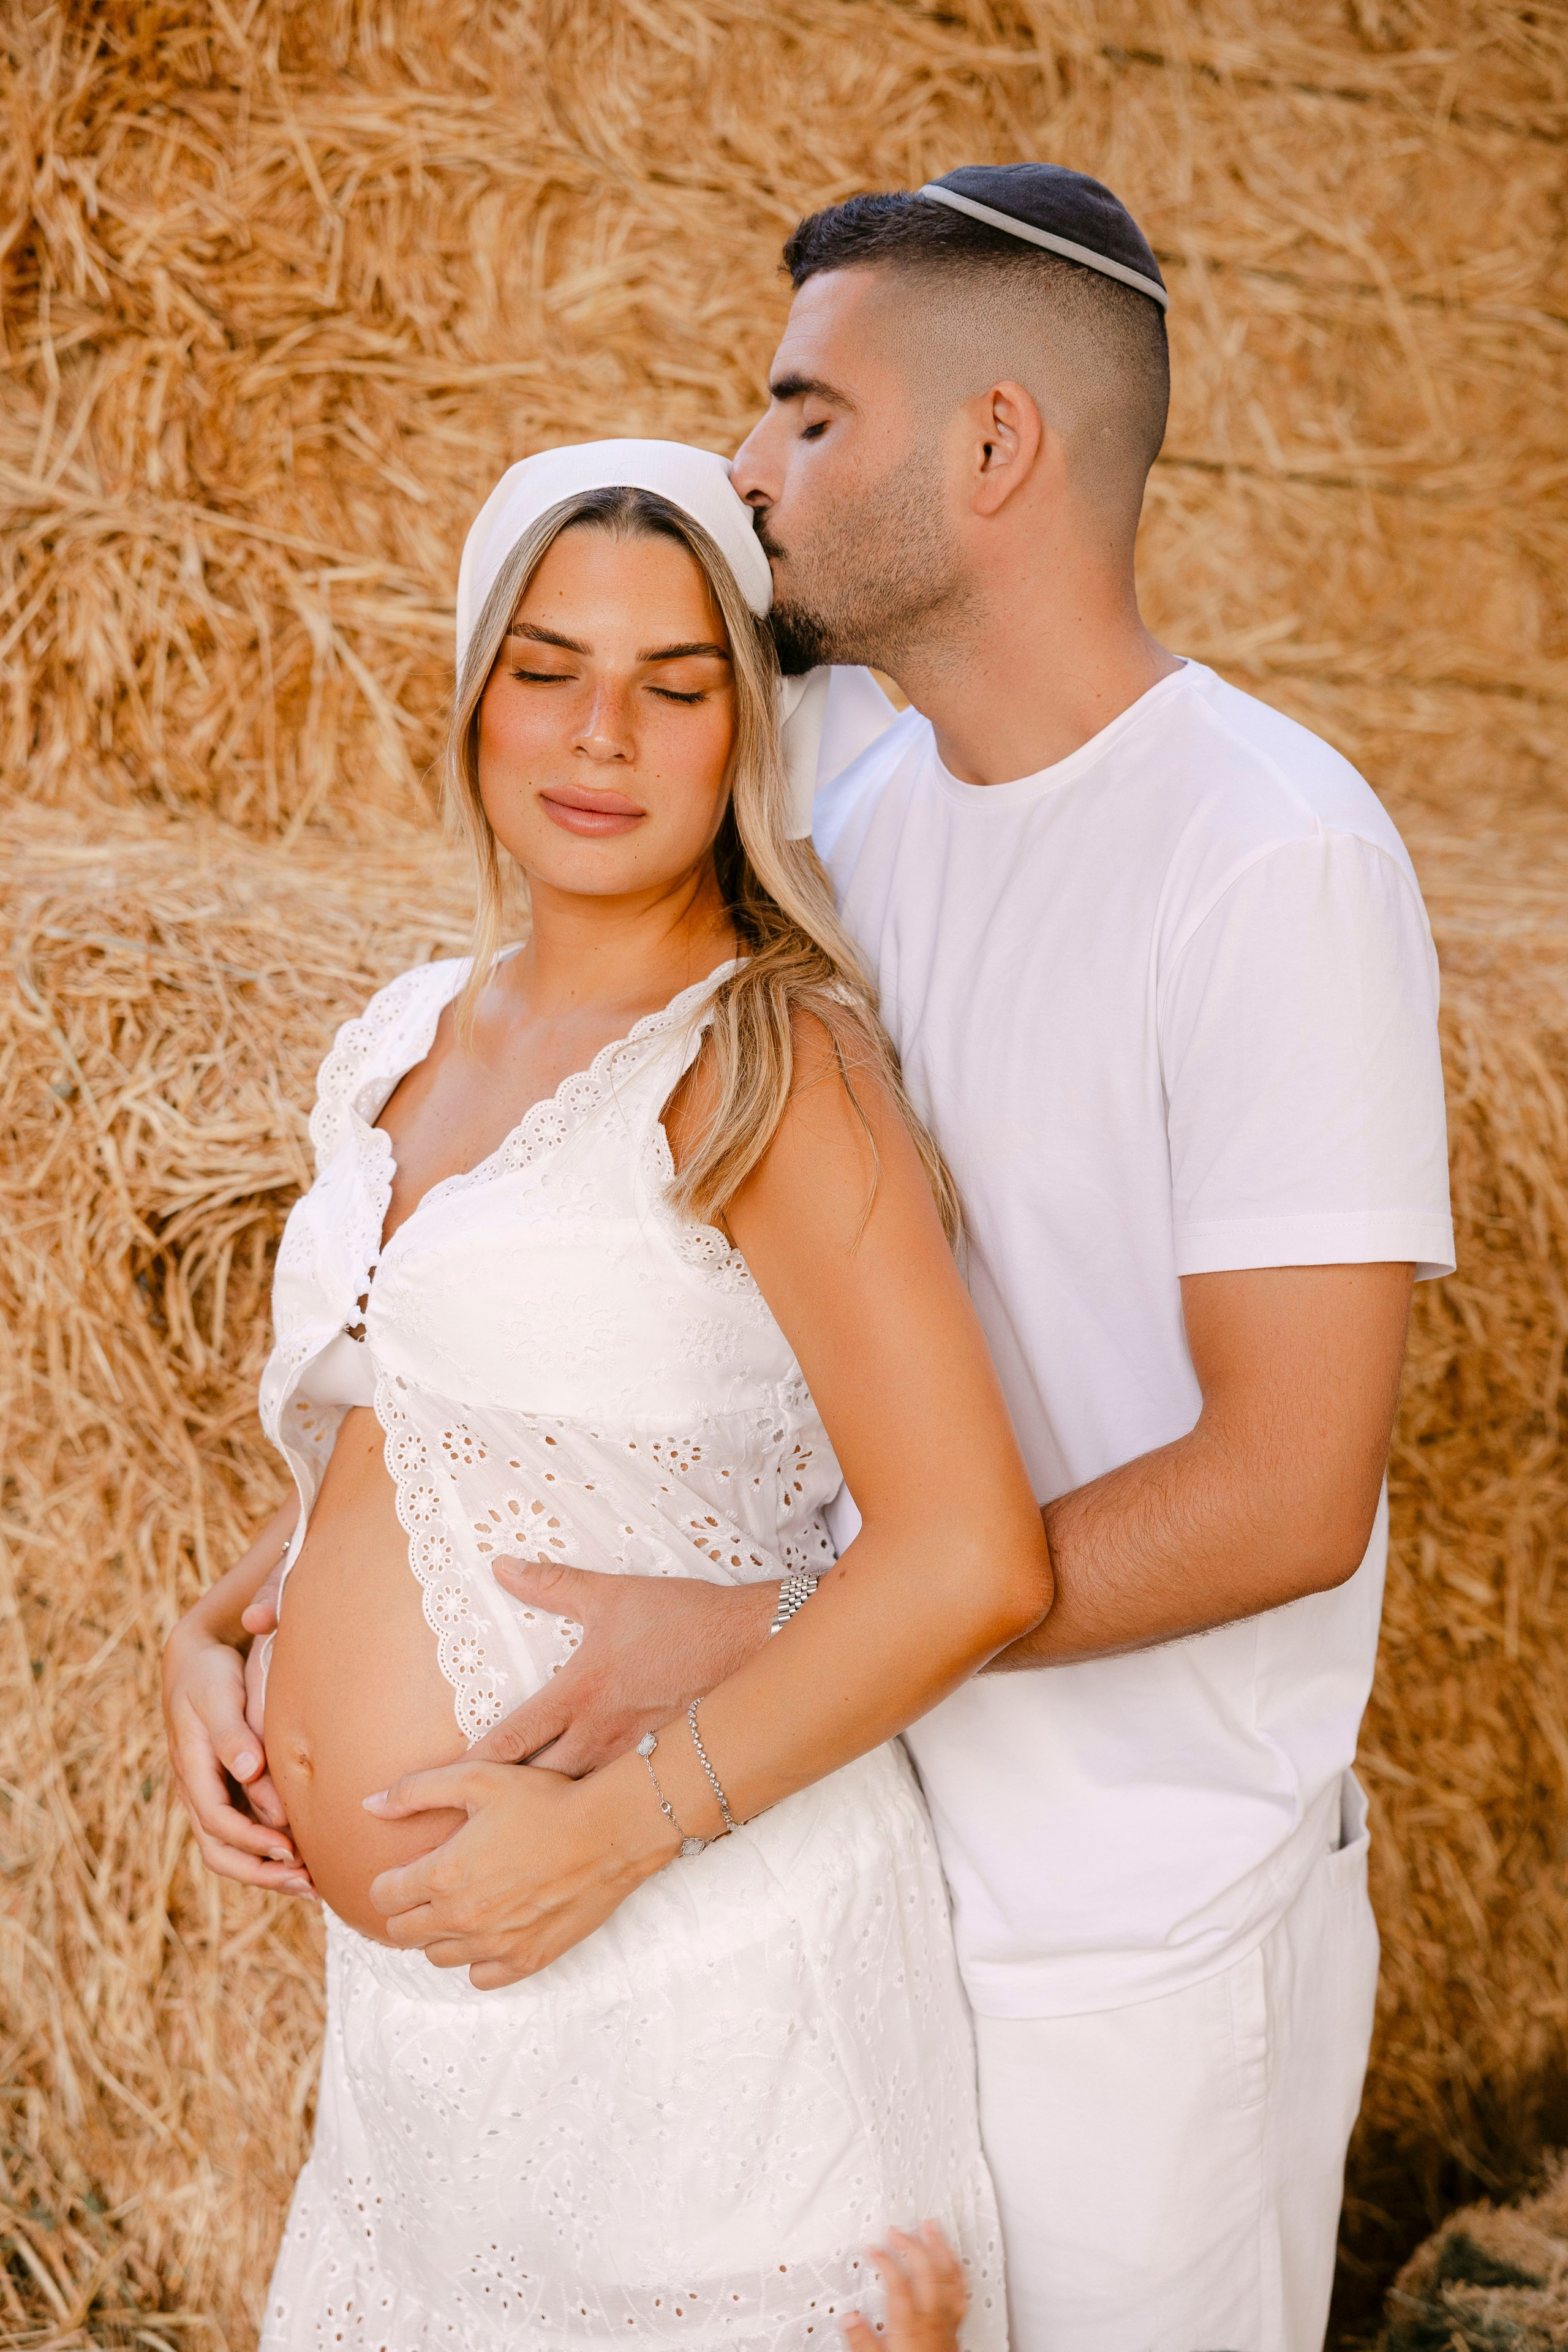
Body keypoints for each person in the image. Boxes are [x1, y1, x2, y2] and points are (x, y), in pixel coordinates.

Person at [288, 167, 1446, 2349]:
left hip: (1134, 1927)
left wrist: (754, 1640)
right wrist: (270, 1615)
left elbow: (1296, 1496)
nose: (745, 466)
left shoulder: (1269, 855)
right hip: (848, 1860)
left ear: (993, 450)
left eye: (806, 413)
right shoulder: (853, 823)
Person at [160, 439, 1052, 2346]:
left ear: (749, 730)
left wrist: (617, 1826)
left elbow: (974, 1558)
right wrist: (224, 1623)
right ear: (475, 689)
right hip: (416, 2049)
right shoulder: (405, 1033)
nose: (600, 737)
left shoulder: (762, 1068)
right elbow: (434, 1429)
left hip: (699, 2005)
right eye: (549, 668)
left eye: (676, 686)